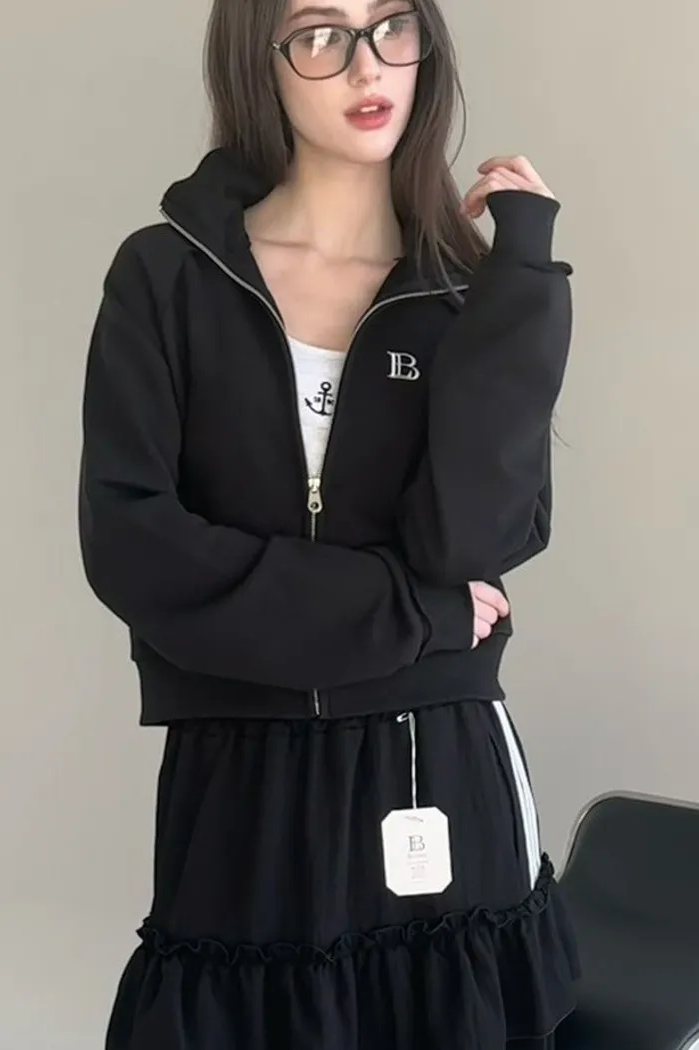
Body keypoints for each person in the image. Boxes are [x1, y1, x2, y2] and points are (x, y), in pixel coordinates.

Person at [78, 0, 580, 1046]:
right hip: (242, 779)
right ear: (258, 61)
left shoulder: (465, 294)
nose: (367, 65)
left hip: (437, 768)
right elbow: (134, 546)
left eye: (392, 26)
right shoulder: (168, 276)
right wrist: (417, 614)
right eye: (320, 33)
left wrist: (524, 279)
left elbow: (470, 542)